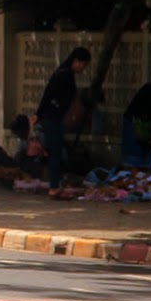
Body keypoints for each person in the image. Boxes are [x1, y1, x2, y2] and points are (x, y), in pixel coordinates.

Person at [35, 45, 91, 192]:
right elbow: (49, 95)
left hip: (55, 118)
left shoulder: (66, 74)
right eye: (83, 65)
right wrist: (42, 113)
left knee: (57, 151)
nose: (83, 69)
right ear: (76, 61)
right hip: (51, 118)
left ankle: (54, 183)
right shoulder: (63, 75)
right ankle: (53, 186)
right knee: (55, 151)